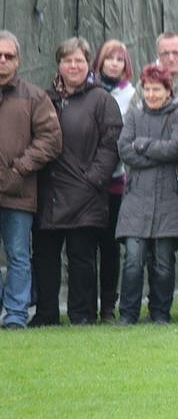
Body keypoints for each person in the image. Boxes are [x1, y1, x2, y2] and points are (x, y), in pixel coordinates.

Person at [29, 37, 122, 326]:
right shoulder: (44, 98)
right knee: (45, 257)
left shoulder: (101, 100)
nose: (73, 66)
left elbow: (111, 145)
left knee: (82, 258)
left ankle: (82, 314)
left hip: (87, 194)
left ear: (88, 64)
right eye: (68, 60)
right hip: (49, 192)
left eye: (79, 60)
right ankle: (46, 314)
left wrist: (94, 179)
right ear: (59, 64)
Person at [116, 64, 178, 324]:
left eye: (156, 89)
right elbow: (125, 150)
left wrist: (143, 146)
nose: (151, 94)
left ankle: (160, 312)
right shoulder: (134, 116)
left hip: (170, 200)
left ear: (168, 91)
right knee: (133, 259)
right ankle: (127, 313)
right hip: (136, 199)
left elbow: (176, 148)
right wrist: (156, 154)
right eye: (147, 89)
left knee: (163, 261)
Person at [0, 30, 62, 329]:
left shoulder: (35, 96)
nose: (2, 60)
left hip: (18, 192)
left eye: (8, 56)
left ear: (18, 60)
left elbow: (51, 140)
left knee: (18, 256)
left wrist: (19, 169)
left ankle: (15, 315)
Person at [91, 38, 135, 323]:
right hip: (86, 182)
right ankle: (83, 304)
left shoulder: (132, 95)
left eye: (120, 59)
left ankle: (108, 305)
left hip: (118, 182)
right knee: (85, 246)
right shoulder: (87, 91)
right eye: (110, 58)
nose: (114, 64)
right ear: (100, 61)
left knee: (110, 246)